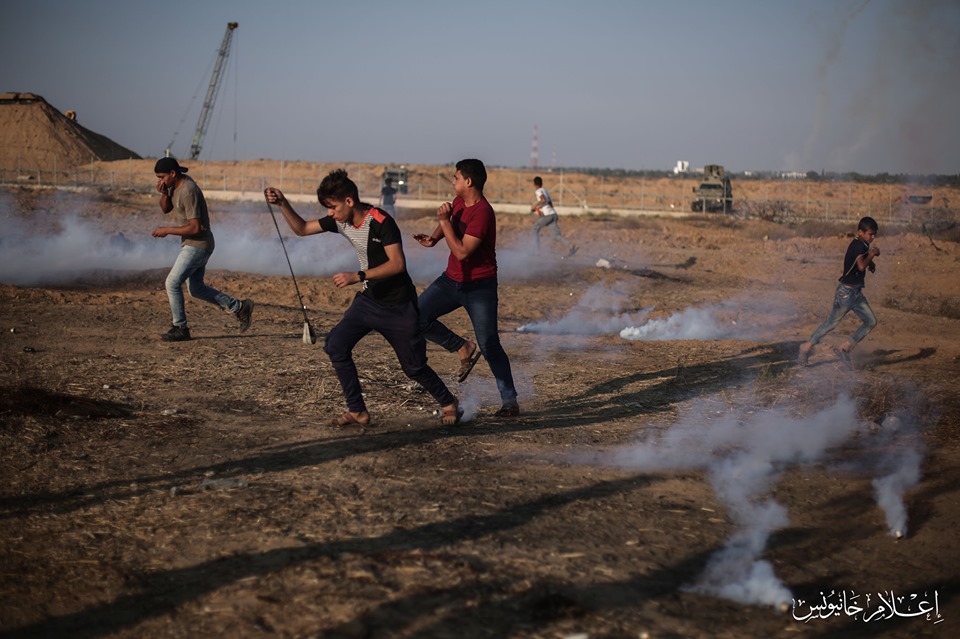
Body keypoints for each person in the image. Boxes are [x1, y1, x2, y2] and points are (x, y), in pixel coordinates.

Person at [264, 169, 461, 427]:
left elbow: (398, 264)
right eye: (327, 209)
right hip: (369, 302)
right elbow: (301, 228)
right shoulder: (340, 221)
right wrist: (283, 204)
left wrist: (358, 276)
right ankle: (358, 411)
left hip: (399, 306)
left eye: (332, 207)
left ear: (349, 201)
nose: (330, 214)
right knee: (335, 345)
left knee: (413, 368)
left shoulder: (381, 221)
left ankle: (449, 403)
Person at [412, 159, 520, 417]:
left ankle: (510, 401)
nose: (453, 181)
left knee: (490, 343)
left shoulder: (483, 213)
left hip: (480, 287)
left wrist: (445, 223)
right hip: (451, 280)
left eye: (456, 177)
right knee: (415, 316)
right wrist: (434, 237)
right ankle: (461, 347)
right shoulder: (460, 201)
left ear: (468, 181)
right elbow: (451, 218)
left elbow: (461, 252)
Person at [152, 157, 252, 342]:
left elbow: (195, 227)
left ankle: (180, 327)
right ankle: (239, 307)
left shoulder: (188, 191)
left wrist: (167, 230)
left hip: (197, 244)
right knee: (196, 289)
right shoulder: (174, 185)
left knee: (172, 283)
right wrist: (164, 193)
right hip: (195, 243)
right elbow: (165, 209)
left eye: (162, 177)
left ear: (173, 174)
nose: (160, 181)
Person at [798, 216, 880, 369]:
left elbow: (859, 262)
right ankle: (806, 347)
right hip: (845, 294)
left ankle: (845, 348)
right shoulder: (858, 246)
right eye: (870, 234)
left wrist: (871, 261)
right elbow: (861, 266)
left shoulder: (861, 244)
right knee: (831, 323)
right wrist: (872, 255)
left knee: (871, 321)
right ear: (860, 232)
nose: (873, 237)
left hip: (855, 293)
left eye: (875, 234)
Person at [531, 176, 576, 257]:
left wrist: (534, 206)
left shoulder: (538, 191)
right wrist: (538, 208)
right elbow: (548, 203)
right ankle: (570, 245)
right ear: (542, 183)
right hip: (554, 214)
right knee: (555, 236)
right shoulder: (545, 190)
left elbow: (543, 200)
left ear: (534, 184)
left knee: (535, 229)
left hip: (548, 216)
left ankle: (537, 251)